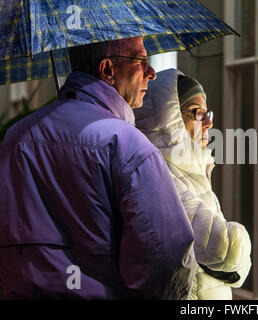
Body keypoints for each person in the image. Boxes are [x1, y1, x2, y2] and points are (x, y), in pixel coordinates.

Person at [0, 37, 197, 299]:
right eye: (142, 61)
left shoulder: (16, 138)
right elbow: (167, 256)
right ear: (107, 70)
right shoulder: (127, 144)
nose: (151, 73)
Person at [134, 69, 252, 300]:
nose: (208, 122)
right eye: (196, 113)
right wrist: (238, 248)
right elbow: (225, 247)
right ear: (169, 121)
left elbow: (238, 269)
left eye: (207, 113)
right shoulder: (159, 173)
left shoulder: (193, 170)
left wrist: (231, 263)